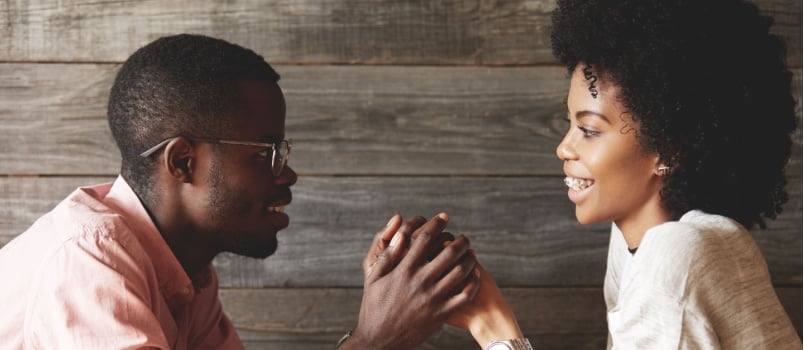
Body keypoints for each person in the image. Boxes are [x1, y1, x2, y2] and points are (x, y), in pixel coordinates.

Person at [0, 34, 480, 349]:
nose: (287, 175)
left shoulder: (189, 276)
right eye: (267, 153)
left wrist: (377, 326)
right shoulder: (87, 262)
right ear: (183, 162)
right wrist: (376, 339)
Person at [447, 0, 802, 348]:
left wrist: (491, 323)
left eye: (589, 130)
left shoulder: (673, 256)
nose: (564, 148)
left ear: (667, 151)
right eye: (569, 123)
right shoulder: (639, 242)